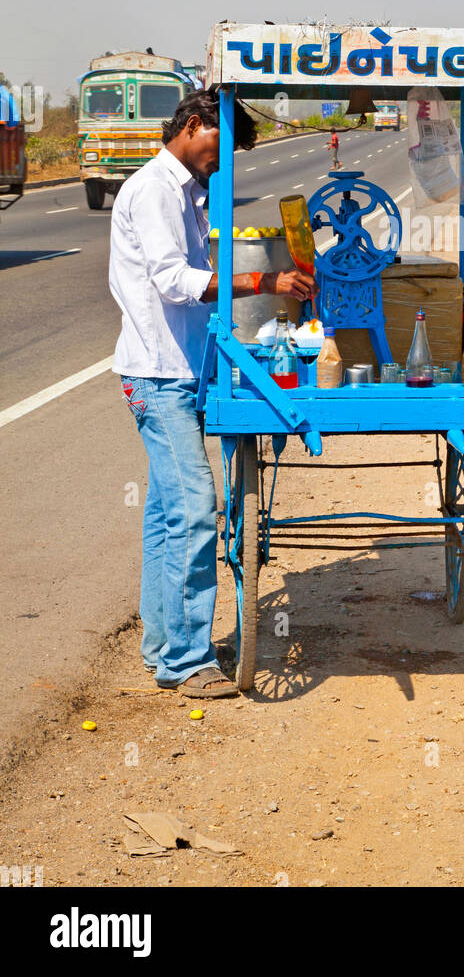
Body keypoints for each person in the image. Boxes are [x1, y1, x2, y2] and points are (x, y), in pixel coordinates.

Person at [109, 87, 316, 697]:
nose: (220, 162)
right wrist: (262, 280)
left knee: (166, 515)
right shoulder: (153, 190)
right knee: (197, 512)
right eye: (218, 148)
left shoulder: (185, 191)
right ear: (195, 125)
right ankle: (187, 661)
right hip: (157, 373)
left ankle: (163, 643)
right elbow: (175, 280)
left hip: (181, 369)